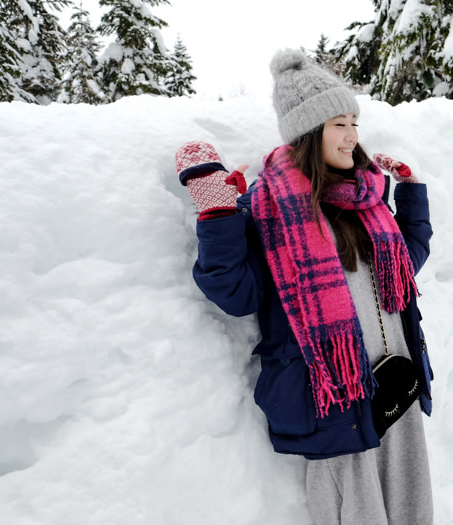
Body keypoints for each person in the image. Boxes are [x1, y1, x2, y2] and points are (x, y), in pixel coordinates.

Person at [174, 49, 434, 525]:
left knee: (411, 504)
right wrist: (216, 213)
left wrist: (412, 194)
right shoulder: (269, 208)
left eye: (354, 122)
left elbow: (403, 267)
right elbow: (234, 291)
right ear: (309, 131)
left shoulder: (367, 198)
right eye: (339, 124)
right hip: (338, 394)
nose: (353, 137)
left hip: (394, 375)